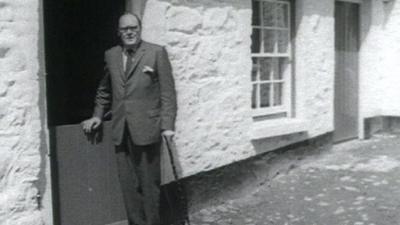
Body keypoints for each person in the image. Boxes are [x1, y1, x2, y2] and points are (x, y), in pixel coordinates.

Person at [82, 12, 177, 225]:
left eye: (133, 28)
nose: (130, 32)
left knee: (149, 185)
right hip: (120, 130)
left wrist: (168, 125)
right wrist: (97, 115)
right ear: (119, 32)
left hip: (147, 128)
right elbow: (104, 89)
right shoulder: (111, 55)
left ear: (140, 29)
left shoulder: (156, 53)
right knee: (128, 186)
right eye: (125, 29)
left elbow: (168, 93)